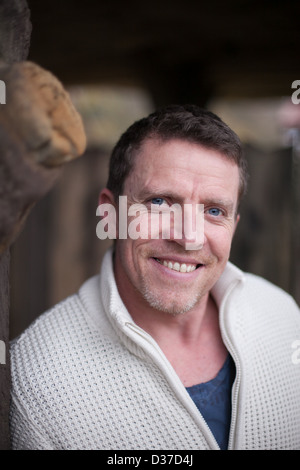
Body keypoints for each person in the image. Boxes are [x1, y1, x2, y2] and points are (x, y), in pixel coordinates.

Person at [10, 104, 300, 450]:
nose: (189, 237)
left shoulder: (283, 314)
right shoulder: (37, 380)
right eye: (160, 201)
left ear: (233, 227)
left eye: (213, 211)